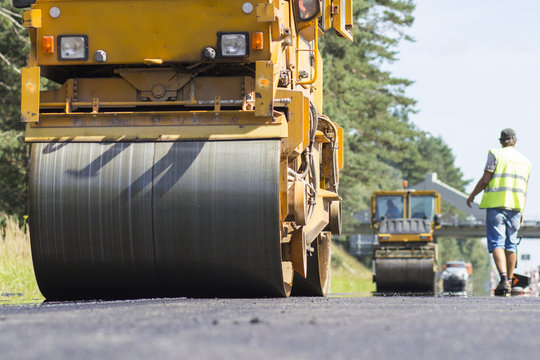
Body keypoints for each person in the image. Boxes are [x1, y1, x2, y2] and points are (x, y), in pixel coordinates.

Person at [466, 128, 531, 296]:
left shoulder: (495, 154)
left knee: (497, 243)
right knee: (511, 244)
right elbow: (525, 188)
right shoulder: (525, 161)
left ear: (501, 141)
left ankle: (503, 279)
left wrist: (472, 195)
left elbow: (485, 180)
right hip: (516, 207)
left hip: (496, 205)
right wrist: (522, 209)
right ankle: (508, 281)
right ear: (515, 141)